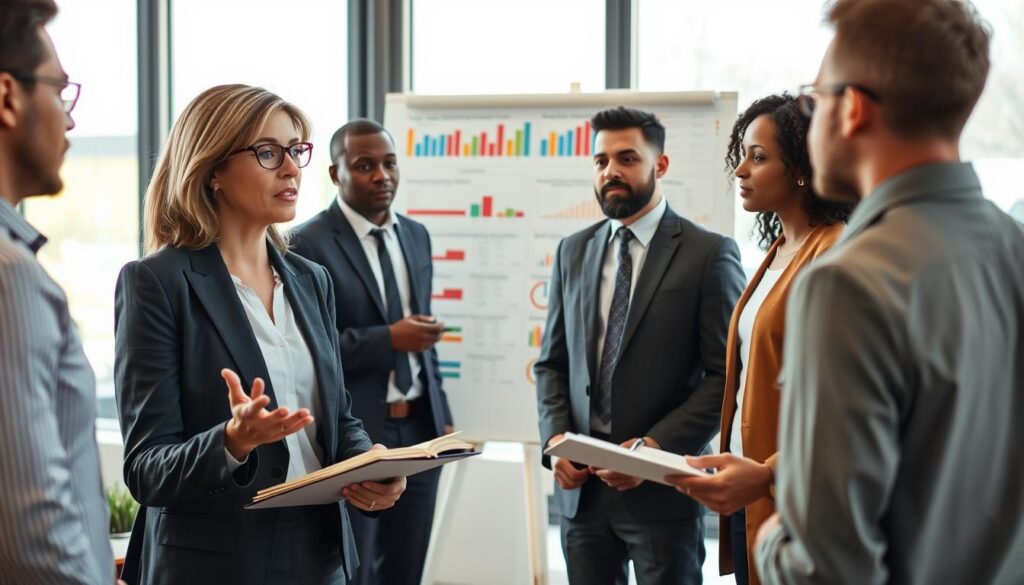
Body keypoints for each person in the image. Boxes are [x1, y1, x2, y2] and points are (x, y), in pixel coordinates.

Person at [753, 1, 1024, 584]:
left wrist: (772, 541)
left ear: (851, 109)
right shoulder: (1014, 245)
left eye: (813, 99)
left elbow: (826, 572)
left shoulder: (844, 285)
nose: (811, 115)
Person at [114, 85, 407, 585]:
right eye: (269, 153)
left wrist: (368, 467)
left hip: (323, 554)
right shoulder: (156, 283)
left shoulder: (312, 280)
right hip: (214, 563)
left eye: (296, 150)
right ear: (212, 172)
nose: (292, 168)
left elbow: (337, 420)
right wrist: (232, 441)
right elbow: (146, 468)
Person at [535, 106, 745, 585]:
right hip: (581, 494)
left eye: (627, 158)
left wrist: (653, 452)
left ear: (660, 165)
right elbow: (551, 363)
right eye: (601, 160)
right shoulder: (573, 250)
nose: (611, 170)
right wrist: (554, 441)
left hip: (664, 492)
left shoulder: (709, 254)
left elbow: (725, 376)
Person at [664, 94, 852, 585]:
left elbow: (843, 405)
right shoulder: (776, 252)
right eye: (741, 155)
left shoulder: (834, 255)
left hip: (796, 492)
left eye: (759, 157)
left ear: (802, 169)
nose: (741, 170)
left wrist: (770, 472)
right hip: (753, 487)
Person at [289, 118, 454, 585]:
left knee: (407, 567)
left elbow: (420, 330)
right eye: (364, 166)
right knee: (353, 567)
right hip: (356, 431)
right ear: (335, 174)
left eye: (388, 163)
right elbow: (306, 350)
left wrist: (441, 411)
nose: (381, 175)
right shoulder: (306, 243)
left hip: (421, 427)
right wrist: (390, 339)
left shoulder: (417, 235)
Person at [0, 1, 118, 583]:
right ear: (8, 97)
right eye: (60, 91)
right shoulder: (8, 274)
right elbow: (34, 533)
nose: (70, 122)